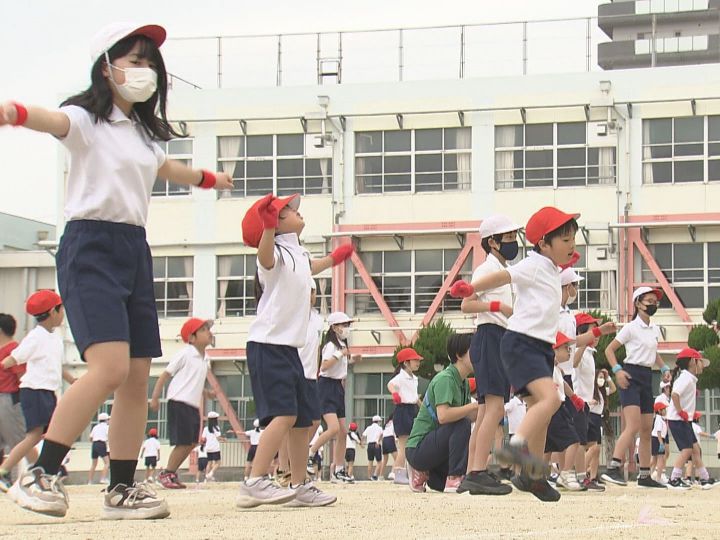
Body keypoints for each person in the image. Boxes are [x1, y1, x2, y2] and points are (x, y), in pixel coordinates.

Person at [0, 21, 233, 520]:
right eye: (134, 60)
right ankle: (42, 473)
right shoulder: (85, 121)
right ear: (106, 67)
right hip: (90, 245)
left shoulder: (145, 137)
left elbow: (170, 170)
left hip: (133, 247)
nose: (144, 71)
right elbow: (49, 121)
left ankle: (121, 489)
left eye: (150, 63)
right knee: (107, 369)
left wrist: (211, 179)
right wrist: (14, 112)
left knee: (134, 375)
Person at [450, 206, 582, 502]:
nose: (572, 244)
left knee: (541, 409)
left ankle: (532, 476)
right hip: (520, 343)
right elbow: (502, 279)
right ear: (544, 244)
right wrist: (470, 287)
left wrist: (566, 258)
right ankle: (514, 448)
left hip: (537, 345)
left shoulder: (549, 267)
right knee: (548, 400)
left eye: (573, 238)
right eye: (565, 239)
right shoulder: (532, 264)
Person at [237, 193, 353, 508]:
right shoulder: (272, 251)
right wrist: (267, 226)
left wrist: (335, 259)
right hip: (268, 344)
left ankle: (299, 484)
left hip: (290, 348)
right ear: (275, 222)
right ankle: (256, 480)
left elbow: (312, 267)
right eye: (289, 210)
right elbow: (264, 258)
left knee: (303, 420)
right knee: (284, 414)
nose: (298, 212)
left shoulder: (298, 252)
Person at [459, 214, 517, 496]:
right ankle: (477, 473)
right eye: (508, 238)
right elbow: (466, 304)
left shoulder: (501, 268)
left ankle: (472, 471)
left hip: (495, 338)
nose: (514, 242)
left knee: (485, 411)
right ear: (492, 242)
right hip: (490, 335)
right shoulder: (486, 270)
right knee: (493, 408)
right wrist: (498, 306)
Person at [0, 291, 76, 500]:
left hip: (47, 392)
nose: (63, 314)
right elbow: (14, 358)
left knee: (53, 433)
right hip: (34, 391)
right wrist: (4, 364)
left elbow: (56, 366)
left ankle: (45, 471)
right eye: (61, 309)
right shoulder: (35, 336)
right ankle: (8, 471)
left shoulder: (54, 337)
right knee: (34, 436)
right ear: (53, 311)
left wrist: (74, 382)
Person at [602, 287, 670, 488]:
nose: (653, 304)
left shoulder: (654, 328)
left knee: (647, 429)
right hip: (630, 375)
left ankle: (645, 474)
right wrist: (617, 370)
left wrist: (664, 367)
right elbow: (609, 349)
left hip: (647, 376)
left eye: (655, 301)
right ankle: (613, 467)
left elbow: (653, 352)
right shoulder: (630, 327)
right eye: (649, 300)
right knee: (632, 426)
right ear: (638, 303)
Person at [405, 332, 477, 493]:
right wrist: (473, 407)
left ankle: (430, 474)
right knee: (462, 424)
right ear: (459, 355)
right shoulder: (446, 378)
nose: (479, 354)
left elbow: (465, 415)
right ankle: (453, 477)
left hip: (436, 452)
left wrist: (488, 410)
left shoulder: (463, 383)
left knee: (439, 485)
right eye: (475, 350)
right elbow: (443, 416)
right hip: (419, 449)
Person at [150, 318, 214, 489]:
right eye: (203, 330)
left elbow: (195, 381)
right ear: (192, 338)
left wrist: (206, 393)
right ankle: (167, 474)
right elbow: (165, 375)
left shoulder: (204, 359)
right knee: (184, 442)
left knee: (192, 442)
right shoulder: (185, 353)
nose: (209, 332)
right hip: (179, 401)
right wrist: (155, 398)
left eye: (208, 329)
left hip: (192, 405)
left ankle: (171, 473)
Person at [307, 311, 360, 484]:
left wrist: (352, 360)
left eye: (348, 325)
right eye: (344, 325)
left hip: (338, 387)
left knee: (343, 432)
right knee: (334, 428)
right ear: (334, 327)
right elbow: (324, 366)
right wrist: (340, 355)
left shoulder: (341, 345)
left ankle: (338, 470)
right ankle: (311, 453)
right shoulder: (331, 346)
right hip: (326, 386)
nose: (347, 328)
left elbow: (339, 367)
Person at [665, 348, 714, 490]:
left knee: (695, 449)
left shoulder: (690, 378)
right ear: (693, 361)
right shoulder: (686, 377)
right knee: (686, 450)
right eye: (700, 362)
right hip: (678, 419)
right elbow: (675, 394)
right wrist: (681, 412)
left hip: (684, 420)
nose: (702, 366)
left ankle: (705, 478)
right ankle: (674, 478)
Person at [0, 313, 33, 485]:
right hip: (3, 399)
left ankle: (28, 477)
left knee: (18, 441)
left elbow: (22, 377)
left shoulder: (13, 349)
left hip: (8, 399)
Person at [387, 347, 422, 484]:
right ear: (406, 363)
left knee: (410, 443)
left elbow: (415, 397)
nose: (418, 362)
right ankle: (399, 473)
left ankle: (403, 472)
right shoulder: (400, 377)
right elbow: (391, 384)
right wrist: (395, 394)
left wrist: (425, 409)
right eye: (415, 360)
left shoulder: (414, 378)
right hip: (402, 410)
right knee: (404, 445)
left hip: (412, 410)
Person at [586, 369, 614, 487]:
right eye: (600, 377)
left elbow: (613, 389)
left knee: (597, 450)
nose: (601, 379)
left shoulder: (603, 391)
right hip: (590, 417)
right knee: (591, 447)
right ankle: (582, 471)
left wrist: (608, 377)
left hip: (598, 418)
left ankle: (593, 476)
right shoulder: (590, 390)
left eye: (602, 377)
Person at [88, 412, 110, 484]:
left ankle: (90, 481)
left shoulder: (95, 427)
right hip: (101, 443)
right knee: (107, 463)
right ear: (106, 420)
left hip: (94, 444)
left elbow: (90, 438)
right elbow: (109, 437)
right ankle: (102, 479)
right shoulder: (107, 427)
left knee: (94, 464)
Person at [202, 411, 224, 481]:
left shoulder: (205, 428)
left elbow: (203, 438)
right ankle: (211, 473)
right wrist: (224, 439)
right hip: (215, 447)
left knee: (209, 462)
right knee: (218, 462)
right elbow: (218, 437)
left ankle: (206, 477)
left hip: (208, 447)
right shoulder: (216, 427)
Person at [650, 402, 668, 484]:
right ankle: (658, 478)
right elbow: (658, 432)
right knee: (660, 459)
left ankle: (648, 475)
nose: (665, 410)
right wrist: (661, 443)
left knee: (654, 459)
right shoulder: (659, 419)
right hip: (658, 439)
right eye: (663, 409)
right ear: (659, 410)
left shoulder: (660, 418)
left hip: (656, 439)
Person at [362, 415, 383, 481]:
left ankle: (369, 476)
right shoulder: (379, 428)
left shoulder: (368, 428)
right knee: (379, 461)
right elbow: (381, 434)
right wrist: (378, 441)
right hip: (376, 444)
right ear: (378, 421)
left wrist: (362, 443)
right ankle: (375, 475)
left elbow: (363, 435)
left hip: (369, 445)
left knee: (370, 461)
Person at [381, 415, 398, 480]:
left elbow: (382, 433)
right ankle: (392, 472)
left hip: (384, 440)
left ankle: (381, 475)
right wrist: (396, 439)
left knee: (385, 460)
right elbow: (395, 432)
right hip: (390, 438)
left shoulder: (386, 423)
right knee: (397, 457)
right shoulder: (394, 422)